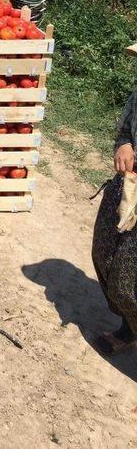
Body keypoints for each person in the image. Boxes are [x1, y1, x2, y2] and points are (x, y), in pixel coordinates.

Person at [92, 42, 137, 355]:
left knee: (129, 277)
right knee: (105, 254)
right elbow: (124, 130)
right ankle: (130, 327)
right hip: (128, 187)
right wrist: (123, 145)